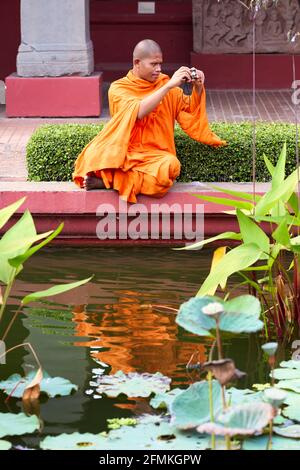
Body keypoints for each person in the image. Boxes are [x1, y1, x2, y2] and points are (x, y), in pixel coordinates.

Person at [73, 39, 226, 203]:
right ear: (136, 63)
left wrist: (198, 87)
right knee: (94, 157)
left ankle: (111, 181)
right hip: (127, 152)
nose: (158, 69)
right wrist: (167, 87)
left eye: (160, 64)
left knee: (170, 167)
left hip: (156, 155)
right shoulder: (119, 88)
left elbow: (189, 110)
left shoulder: (166, 85)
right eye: (153, 64)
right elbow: (138, 111)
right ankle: (115, 179)